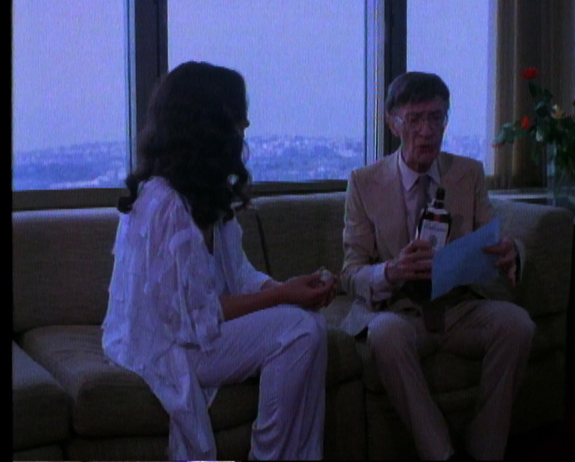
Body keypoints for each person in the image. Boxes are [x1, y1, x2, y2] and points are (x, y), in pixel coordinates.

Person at [102, 61, 338, 461]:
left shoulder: (210, 194)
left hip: (199, 333)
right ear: (207, 125)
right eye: (237, 116)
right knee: (299, 329)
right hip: (171, 346)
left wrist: (284, 288)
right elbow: (194, 320)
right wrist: (284, 296)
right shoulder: (163, 204)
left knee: (310, 322)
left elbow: (240, 273)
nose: (246, 126)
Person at [339, 71, 536, 460]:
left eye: (436, 117)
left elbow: (497, 238)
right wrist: (391, 270)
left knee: (518, 325)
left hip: (459, 308)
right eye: (415, 119)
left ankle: (486, 449)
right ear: (393, 123)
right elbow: (350, 272)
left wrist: (513, 251)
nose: (427, 131)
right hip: (400, 311)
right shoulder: (363, 183)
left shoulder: (469, 173)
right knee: (385, 334)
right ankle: (440, 454)